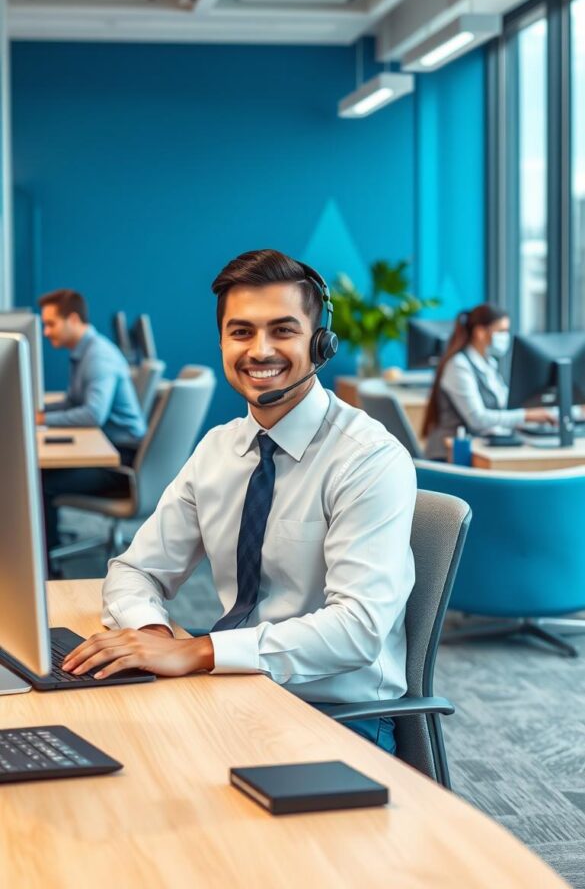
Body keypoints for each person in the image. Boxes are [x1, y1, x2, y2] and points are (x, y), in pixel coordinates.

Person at [62, 250, 416, 755]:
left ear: (322, 344)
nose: (260, 350)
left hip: (334, 714)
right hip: (232, 684)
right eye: (242, 332)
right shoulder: (218, 449)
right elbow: (135, 569)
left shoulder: (367, 459)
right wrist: (153, 634)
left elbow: (357, 630)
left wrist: (202, 651)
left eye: (283, 330)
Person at [38, 289, 147, 551]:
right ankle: (46, 543)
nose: (46, 332)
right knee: (40, 472)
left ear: (73, 320)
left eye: (51, 324)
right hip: (109, 450)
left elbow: (91, 414)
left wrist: (42, 420)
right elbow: (74, 402)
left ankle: (47, 565)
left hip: (121, 463)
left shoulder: (98, 356)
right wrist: (40, 412)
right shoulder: (83, 353)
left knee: (40, 482)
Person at [423, 303, 554, 460]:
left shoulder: (489, 362)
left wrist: (550, 411)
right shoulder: (458, 365)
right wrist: (526, 416)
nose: (505, 337)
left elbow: (506, 405)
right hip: (449, 456)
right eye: (501, 331)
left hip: (479, 450)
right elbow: (478, 419)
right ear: (480, 332)